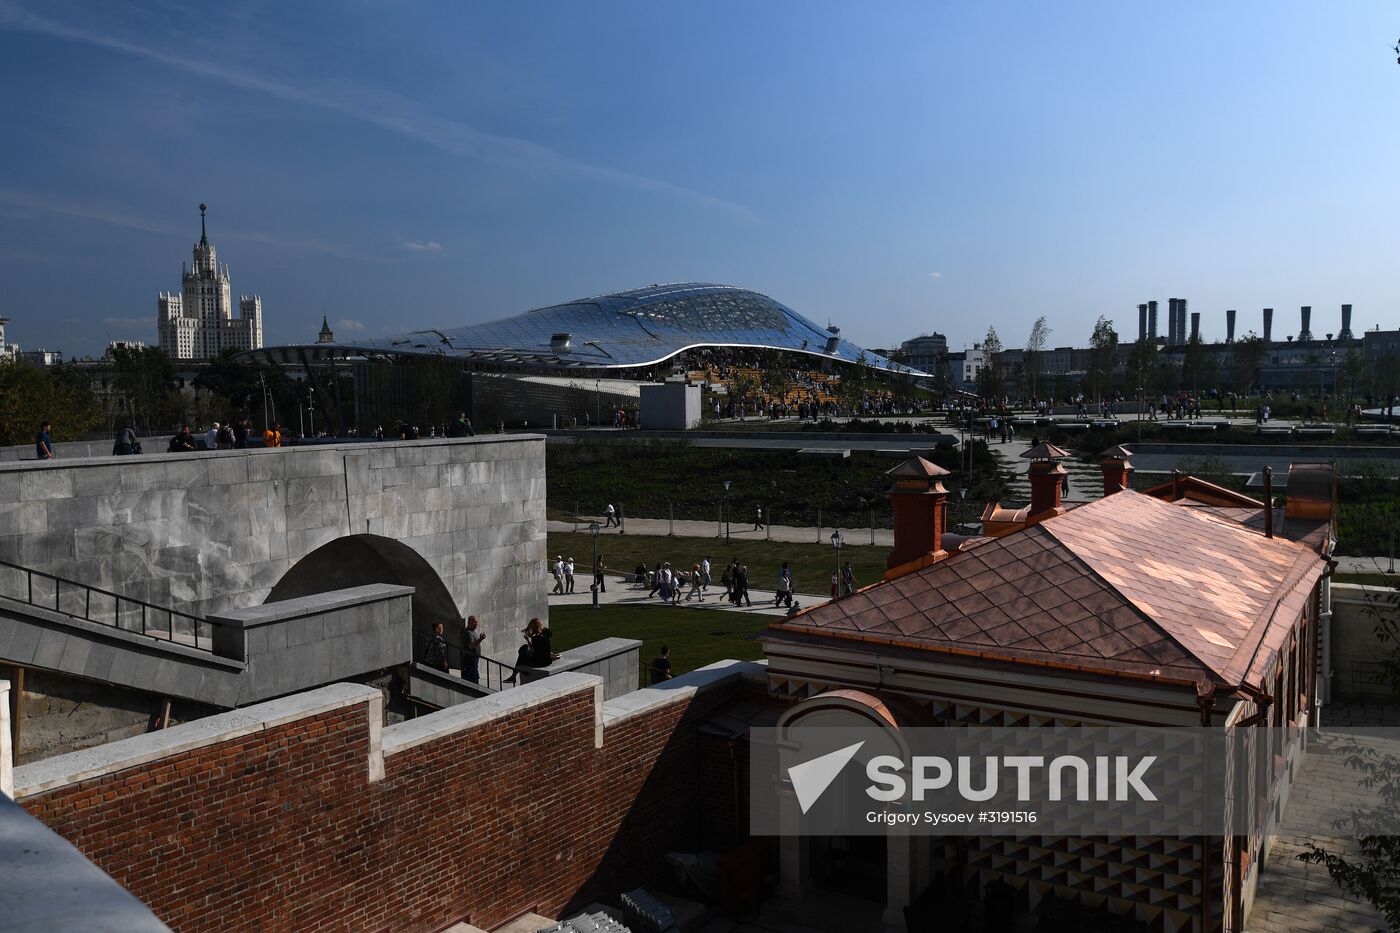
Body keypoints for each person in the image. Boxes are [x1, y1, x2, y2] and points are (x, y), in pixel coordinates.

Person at [462, 615, 485, 684]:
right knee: (472, 678)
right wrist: (480, 639)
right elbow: (471, 646)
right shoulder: (468, 633)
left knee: (474, 676)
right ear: (469, 623)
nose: (476, 624)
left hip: (473, 659)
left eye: (477, 622)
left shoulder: (472, 631)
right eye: (474, 622)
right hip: (470, 659)